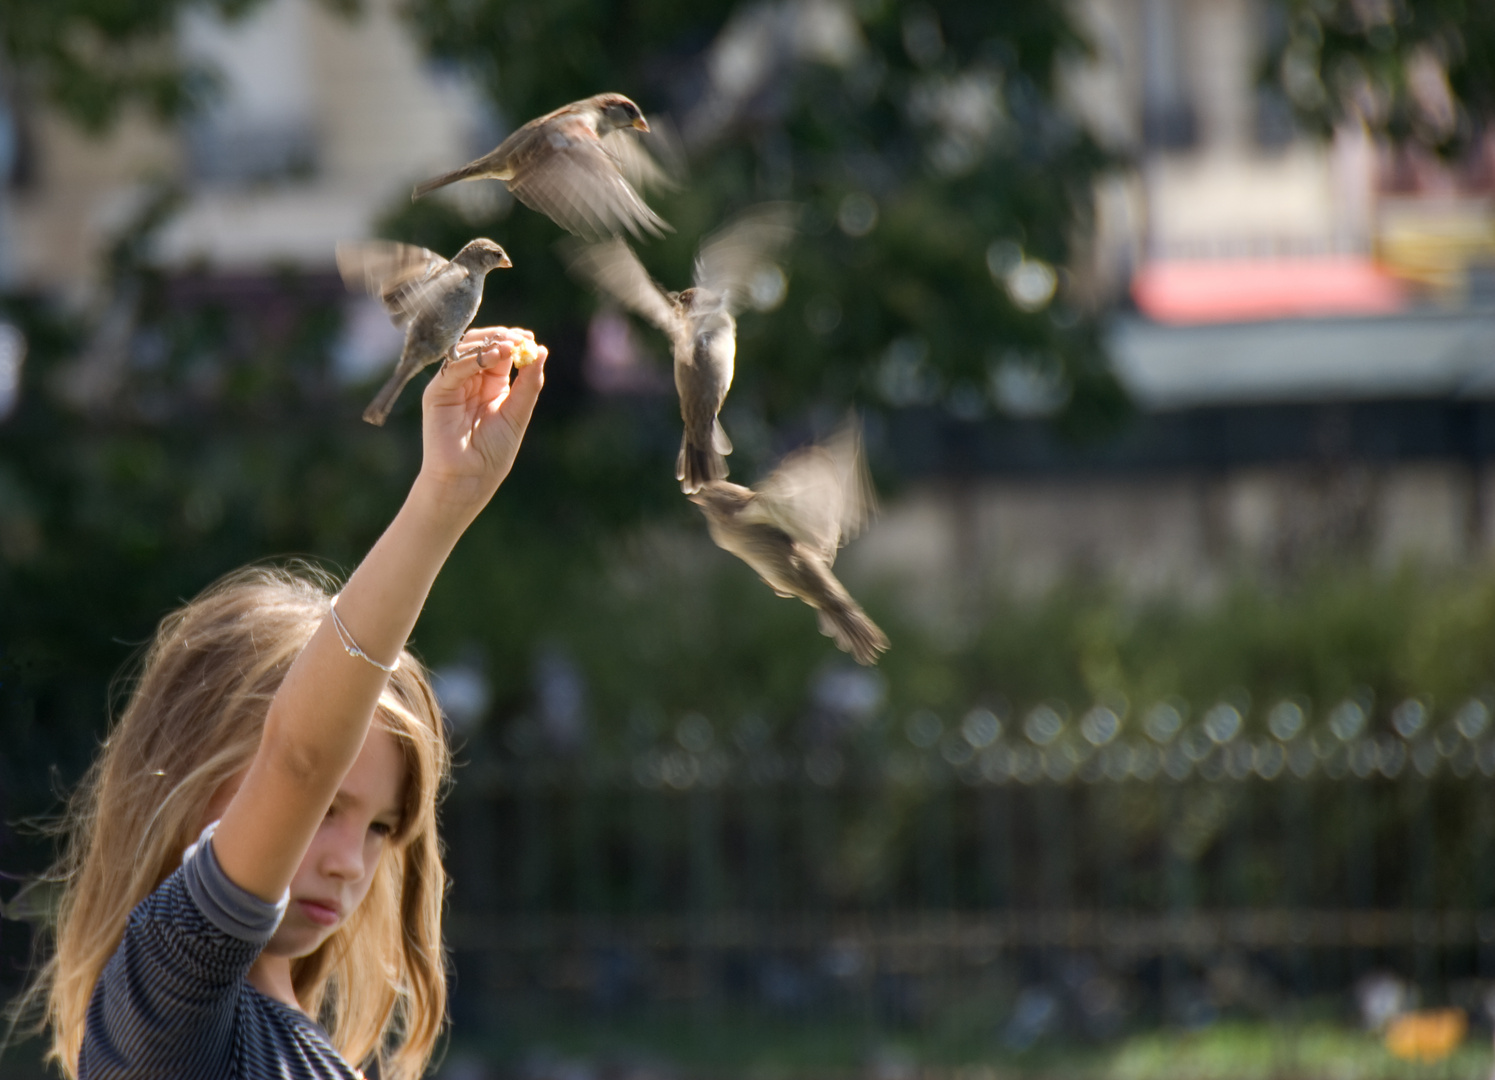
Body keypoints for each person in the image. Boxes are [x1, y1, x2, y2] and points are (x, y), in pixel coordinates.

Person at [25, 326, 546, 1080]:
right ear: (191, 771)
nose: (348, 863)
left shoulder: (306, 1045)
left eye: (379, 828)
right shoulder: (163, 1012)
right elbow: (298, 756)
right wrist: (440, 500)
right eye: (325, 808)